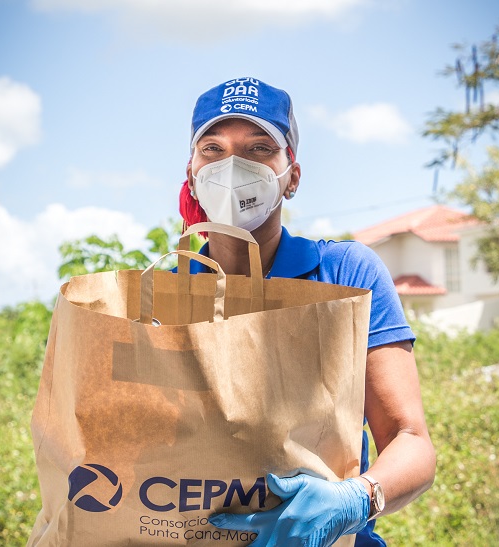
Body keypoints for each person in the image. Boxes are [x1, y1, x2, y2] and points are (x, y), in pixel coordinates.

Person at [178, 76, 436, 546]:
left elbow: (410, 440)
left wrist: (358, 500)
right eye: (213, 149)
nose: (233, 166)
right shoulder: (166, 295)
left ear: (291, 176)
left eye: (258, 149)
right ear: (192, 173)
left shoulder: (344, 274)